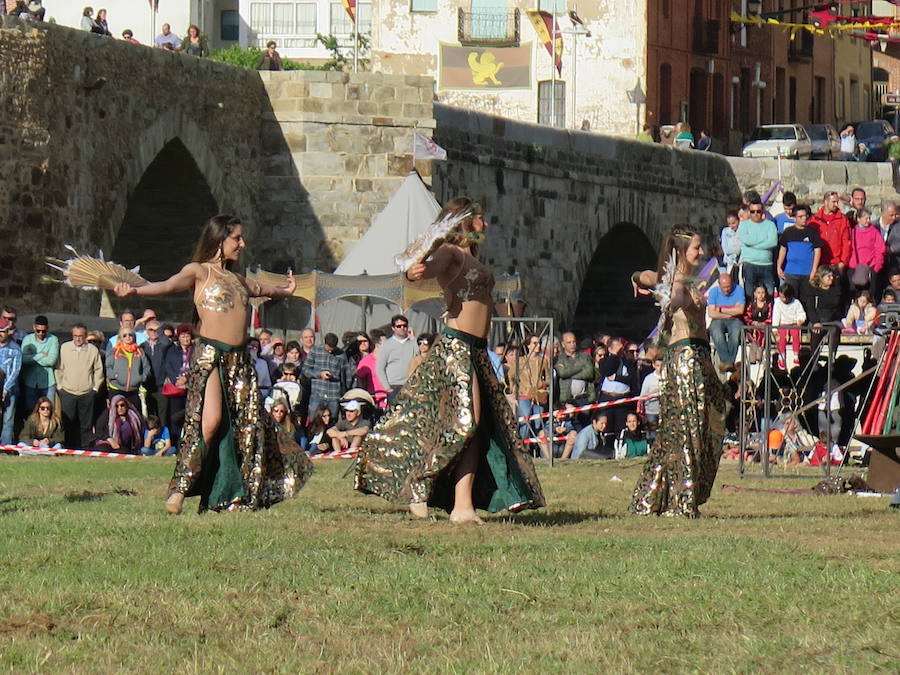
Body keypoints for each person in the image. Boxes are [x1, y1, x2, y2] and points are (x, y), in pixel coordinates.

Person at [355, 197, 546, 523]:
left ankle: (462, 506)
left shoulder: (474, 257)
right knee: (465, 421)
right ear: (466, 221)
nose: (486, 225)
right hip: (456, 347)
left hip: (477, 349)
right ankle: (419, 485)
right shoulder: (451, 253)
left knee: (477, 427)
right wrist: (414, 272)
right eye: (481, 219)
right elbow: (422, 271)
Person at [113, 213, 311, 514]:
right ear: (220, 239)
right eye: (237, 238)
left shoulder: (238, 279)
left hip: (240, 360)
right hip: (211, 356)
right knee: (209, 422)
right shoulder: (199, 272)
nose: (242, 244)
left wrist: (286, 291)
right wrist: (136, 290)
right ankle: (178, 491)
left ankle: (234, 494)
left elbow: (263, 290)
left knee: (248, 428)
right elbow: (168, 285)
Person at [629, 225, 726, 517]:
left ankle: (652, 496)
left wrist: (635, 278)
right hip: (685, 359)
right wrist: (671, 300)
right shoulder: (679, 282)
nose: (702, 252)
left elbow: (647, 276)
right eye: (696, 248)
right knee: (688, 430)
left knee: (695, 425)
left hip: (700, 357)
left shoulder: (687, 277)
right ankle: (682, 501)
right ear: (682, 251)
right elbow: (675, 296)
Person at [56, 324, 104, 449]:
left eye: (81, 336)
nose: (78, 339)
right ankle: (68, 447)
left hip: (86, 392)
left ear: (85, 336)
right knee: (68, 422)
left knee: (86, 424)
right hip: (67, 391)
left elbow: (98, 370)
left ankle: (85, 447)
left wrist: (95, 388)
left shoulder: (92, 349)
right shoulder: (64, 348)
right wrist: (60, 386)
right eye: (75, 336)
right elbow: (59, 368)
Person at [507, 333, 550, 442]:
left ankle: (536, 447)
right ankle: (523, 445)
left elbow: (549, 378)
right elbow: (511, 376)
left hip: (538, 395)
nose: (538, 346)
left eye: (539, 343)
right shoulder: (520, 361)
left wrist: (543, 383)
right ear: (528, 345)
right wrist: (514, 390)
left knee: (538, 422)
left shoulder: (543, 361)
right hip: (524, 395)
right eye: (535, 343)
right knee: (525, 421)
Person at [776, 203, 822, 305]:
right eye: (800, 217)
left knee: (806, 300)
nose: (804, 219)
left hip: (807, 273)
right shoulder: (788, 232)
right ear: (794, 218)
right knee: (791, 298)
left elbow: (817, 251)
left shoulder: (813, 232)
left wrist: (814, 270)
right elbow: (783, 250)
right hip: (791, 272)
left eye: (805, 216)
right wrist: (779, 266)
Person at [302, 332, 349, 417]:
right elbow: (305, 369)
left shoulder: (341, 355)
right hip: (317, 393)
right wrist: (319, 374)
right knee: (314, 420)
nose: (330, 351)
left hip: (334, 395)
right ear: (325, 343)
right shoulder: (315, 351)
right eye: (328, 348)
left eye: (333, 348)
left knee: (332, 421)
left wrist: (345, 391)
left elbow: (346, 375)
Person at [707, 272, 746, 371]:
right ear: (719, 285)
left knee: (736, 332)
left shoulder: (739, 290)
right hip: (718, 320)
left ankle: (726, 363)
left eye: (728, 287)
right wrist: (732, 311)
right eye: (724, 287)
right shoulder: (713, 292)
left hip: (735, 320)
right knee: (716, 332)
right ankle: (729, 362)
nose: (726, 290)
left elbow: (740, 311)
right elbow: (711, 313)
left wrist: (720, 309)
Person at [105, 325, 150, 410]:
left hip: (134, 390)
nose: (128, 337)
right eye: (124, 335)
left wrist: (141, 378)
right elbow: (108, 367)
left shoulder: (140, 351)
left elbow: (146, 367)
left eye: (130, 335)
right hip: (116, 389)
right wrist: (115, 376)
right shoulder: (115, 351)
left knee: (134, 416)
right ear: (121, 338)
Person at [20, 315, 59, 412]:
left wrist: (32, 356)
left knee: (49, 410)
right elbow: (22, 359)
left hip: (48, 382)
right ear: (34, 327)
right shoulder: (27, 339)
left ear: (47, 329)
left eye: (44, 331)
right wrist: (40, 355)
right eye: (38, 331)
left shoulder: (53, 340)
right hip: (30, 381)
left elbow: (51, 360)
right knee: (31, 410)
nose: (41, 333)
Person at [163, 323, 193, 447]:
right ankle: (175, 444)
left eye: (187, 336)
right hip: (176, 389)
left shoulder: (196, 350)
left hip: (191, 388)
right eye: (183, 336)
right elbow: (169, 366)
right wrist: (177, 379)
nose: (185, 339)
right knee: (175, 417)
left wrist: (187, 378)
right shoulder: (173, 351)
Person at [376, 315, 417, 404]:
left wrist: (413, 338)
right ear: (393, 328)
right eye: (399, 326)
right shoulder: (387, 345)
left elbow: (420, 357)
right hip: (394, 386)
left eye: (404, 326)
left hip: (410, 385)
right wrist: (387, 388)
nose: (402, 328)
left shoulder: (413, 343)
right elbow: (379, 368)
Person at [848, 208, 885, 292]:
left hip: (870, 267)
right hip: (854, 267)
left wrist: (877, 267)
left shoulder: (874, 232)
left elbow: (880, 249)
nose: (868, 220)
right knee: (853, 291)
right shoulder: (852, 232)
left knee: (869, 293)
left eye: (869, 218)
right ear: (858, 219)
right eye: (866, 218)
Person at [772, 283, 806, 370]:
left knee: (796, 335)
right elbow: (776, 315)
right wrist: (775, 328)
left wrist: (800, 319)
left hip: (794, 324)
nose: (781, 298)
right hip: (782, 325)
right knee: (782, 338)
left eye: (783, 297)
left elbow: (801, 313)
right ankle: (781, 357)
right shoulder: (778, 302)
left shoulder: (796, 303)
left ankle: (796, 355)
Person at [0, 317, 22, 445]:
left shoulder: (15, 349)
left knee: (8, 420)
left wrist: (4, 390)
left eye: (2, 331)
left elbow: (15, 371)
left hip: (10, 390)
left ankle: (5, 446)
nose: (0, 334)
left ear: (8, 331)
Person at [720, 210, 741, 274]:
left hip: (741, 261)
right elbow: (725, 248)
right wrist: (736, 250)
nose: (731, 226)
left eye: (733, 223)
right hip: (729, 261)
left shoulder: (741, 230)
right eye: (729, 224)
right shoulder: (725, 231)